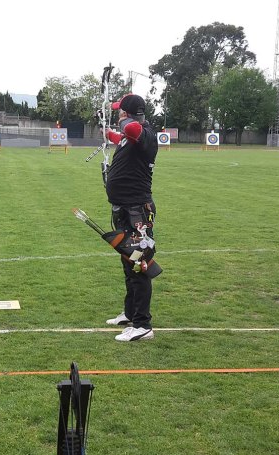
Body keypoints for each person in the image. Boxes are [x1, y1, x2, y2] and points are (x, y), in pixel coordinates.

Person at [102, 94, 159, 342]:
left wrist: (124, 122)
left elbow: (132, 130)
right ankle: (130, 313)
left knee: (139, 265)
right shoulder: (130, 138)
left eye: (120, 111)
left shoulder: (145, 134)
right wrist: (108, 133)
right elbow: (122, 138)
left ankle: (143, 325)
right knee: (129, 262)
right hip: (124, 210)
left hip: (138, 212)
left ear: (126, 113)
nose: (118, 114)